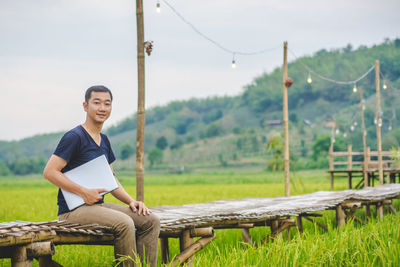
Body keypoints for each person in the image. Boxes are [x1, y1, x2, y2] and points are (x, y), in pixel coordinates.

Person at [43, 85, 160, 267]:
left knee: (150, 220)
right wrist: (83, 192)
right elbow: (49, 172)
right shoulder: (75, 137)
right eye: (96, 103)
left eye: (107, 103)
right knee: (125, 223)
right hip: (72, 211)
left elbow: (110, 178)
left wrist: (131, 201)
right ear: (85, 106)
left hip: (98, 205)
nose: (102, 108)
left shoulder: (104, 140)